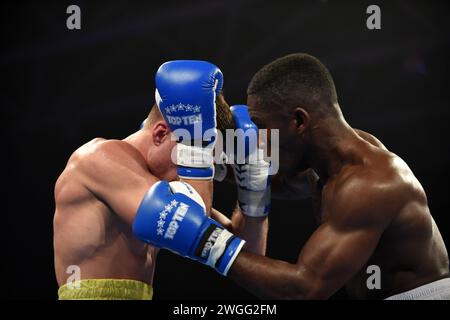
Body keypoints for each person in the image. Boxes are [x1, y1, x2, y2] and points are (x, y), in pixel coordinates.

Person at [134, 53, 450, 299]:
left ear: (298, 121)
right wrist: (205, 160)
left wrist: (203, 240)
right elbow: (274, 181)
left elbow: (304, 289)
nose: (257, 139)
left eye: (261, 126)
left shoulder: (370, 185)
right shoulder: (327, 161)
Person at [53, 60, 266, 299]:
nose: (187, 173)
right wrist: (196, 147)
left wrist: (254, 191)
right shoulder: (98, 158)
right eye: (187, 157)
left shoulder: (154, 189)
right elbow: (191, 221)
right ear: (161, 133)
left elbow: (248, 257)